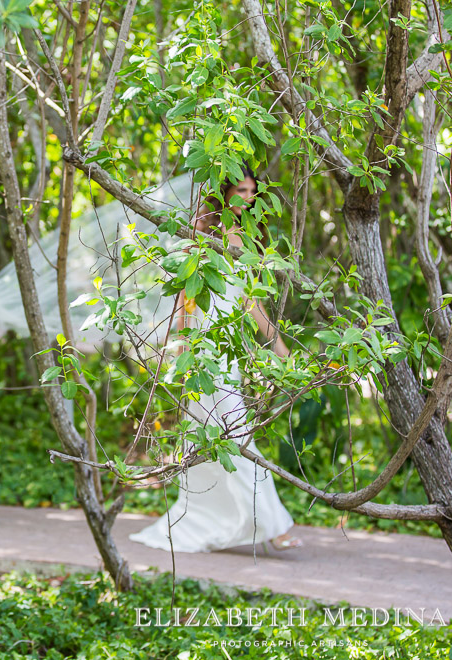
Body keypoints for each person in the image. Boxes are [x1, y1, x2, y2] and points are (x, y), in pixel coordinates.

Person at [129, 169, 303, 553]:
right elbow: (184, 294)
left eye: (253, 192)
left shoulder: (247, 238)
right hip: (201, 351)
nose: (249, 197)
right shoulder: (201, 234)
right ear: (223, 193)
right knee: (234, 436)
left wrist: (277, 343)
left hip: (227, 352)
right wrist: (178, 341)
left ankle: (212, 519)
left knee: (212, 444)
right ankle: (273, 526)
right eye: (241, 190)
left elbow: (249, 301)